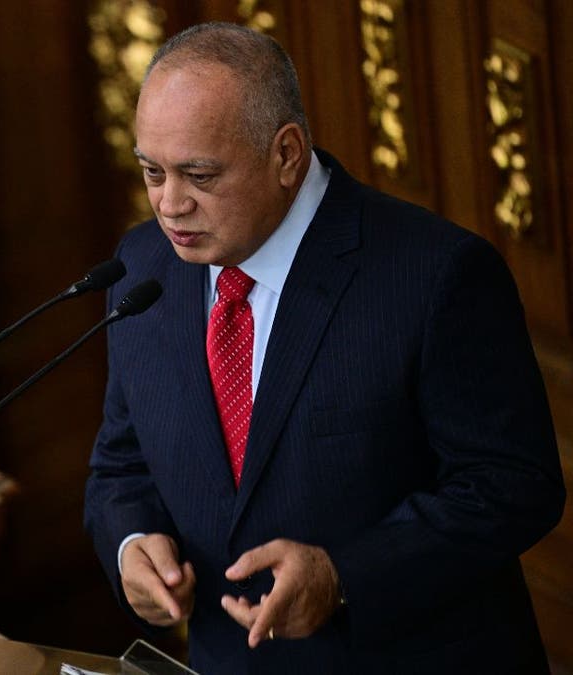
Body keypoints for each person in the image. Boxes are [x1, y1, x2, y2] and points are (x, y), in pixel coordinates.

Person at [84, 22, 565, 673]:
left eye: (199, 174)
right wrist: (132, 544)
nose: (170, 204)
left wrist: (345, 575)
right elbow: (122, 463)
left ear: (286, 154)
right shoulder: (142, 269)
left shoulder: (434, 275)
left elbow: (513, 485)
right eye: (152, 171)